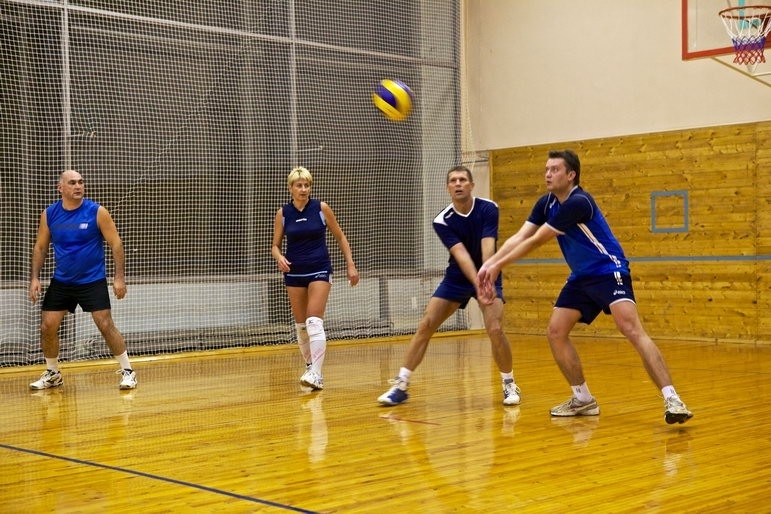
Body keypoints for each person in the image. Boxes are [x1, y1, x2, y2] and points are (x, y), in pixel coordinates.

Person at [476, 150, 693, 424]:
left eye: (555, 169)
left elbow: (536, 241)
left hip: (608, 270)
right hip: (581, 277)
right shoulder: (546, 203)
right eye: (546, 169)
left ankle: (673, 399)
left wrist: (497, 266)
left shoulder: (579, 202)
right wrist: (489, 264)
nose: (548, 174)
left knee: (630, 328)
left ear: (571, 175)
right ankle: (583, 399)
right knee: (556, 332)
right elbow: (520, 236)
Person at [378, 165, 521, 407]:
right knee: (426, 324)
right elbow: (461, 254)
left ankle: (509, 384)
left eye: (463, 180)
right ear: (448, 188)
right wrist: (476, 282)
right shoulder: (442, 220)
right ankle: (401, 385)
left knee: (495, 329)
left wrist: (485, 280)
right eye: (453, 181)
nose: (458, 184)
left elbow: (488, 247)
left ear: (471, 185)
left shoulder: (488, 208)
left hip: (488, 272)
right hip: (458, 276)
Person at [29, 169, 137, 391]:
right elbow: (40, 247)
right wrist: (34, 278)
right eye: (72, 183)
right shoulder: (49, 214)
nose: (78, 186)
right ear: (61, 188)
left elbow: (116, 244)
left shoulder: (97, 212)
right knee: (47, 326)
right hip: (62, 281)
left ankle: (128, 371)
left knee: (105, 324)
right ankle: (53, 374)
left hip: (92, 280)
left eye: (80, 182)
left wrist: (119, 278)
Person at [271, 166, 359, 390]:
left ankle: (317, 374)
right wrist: (279, 257)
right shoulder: (283, 213)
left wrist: (350, 264)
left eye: (307, 185)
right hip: (294, 273)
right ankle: (310, 367)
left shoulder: (321, 208)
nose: (303, 189)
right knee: (301, 326)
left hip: (319, 269)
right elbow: (275, 245)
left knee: (313, 322)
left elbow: (340, 237)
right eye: (299, 185)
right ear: (290, 188)